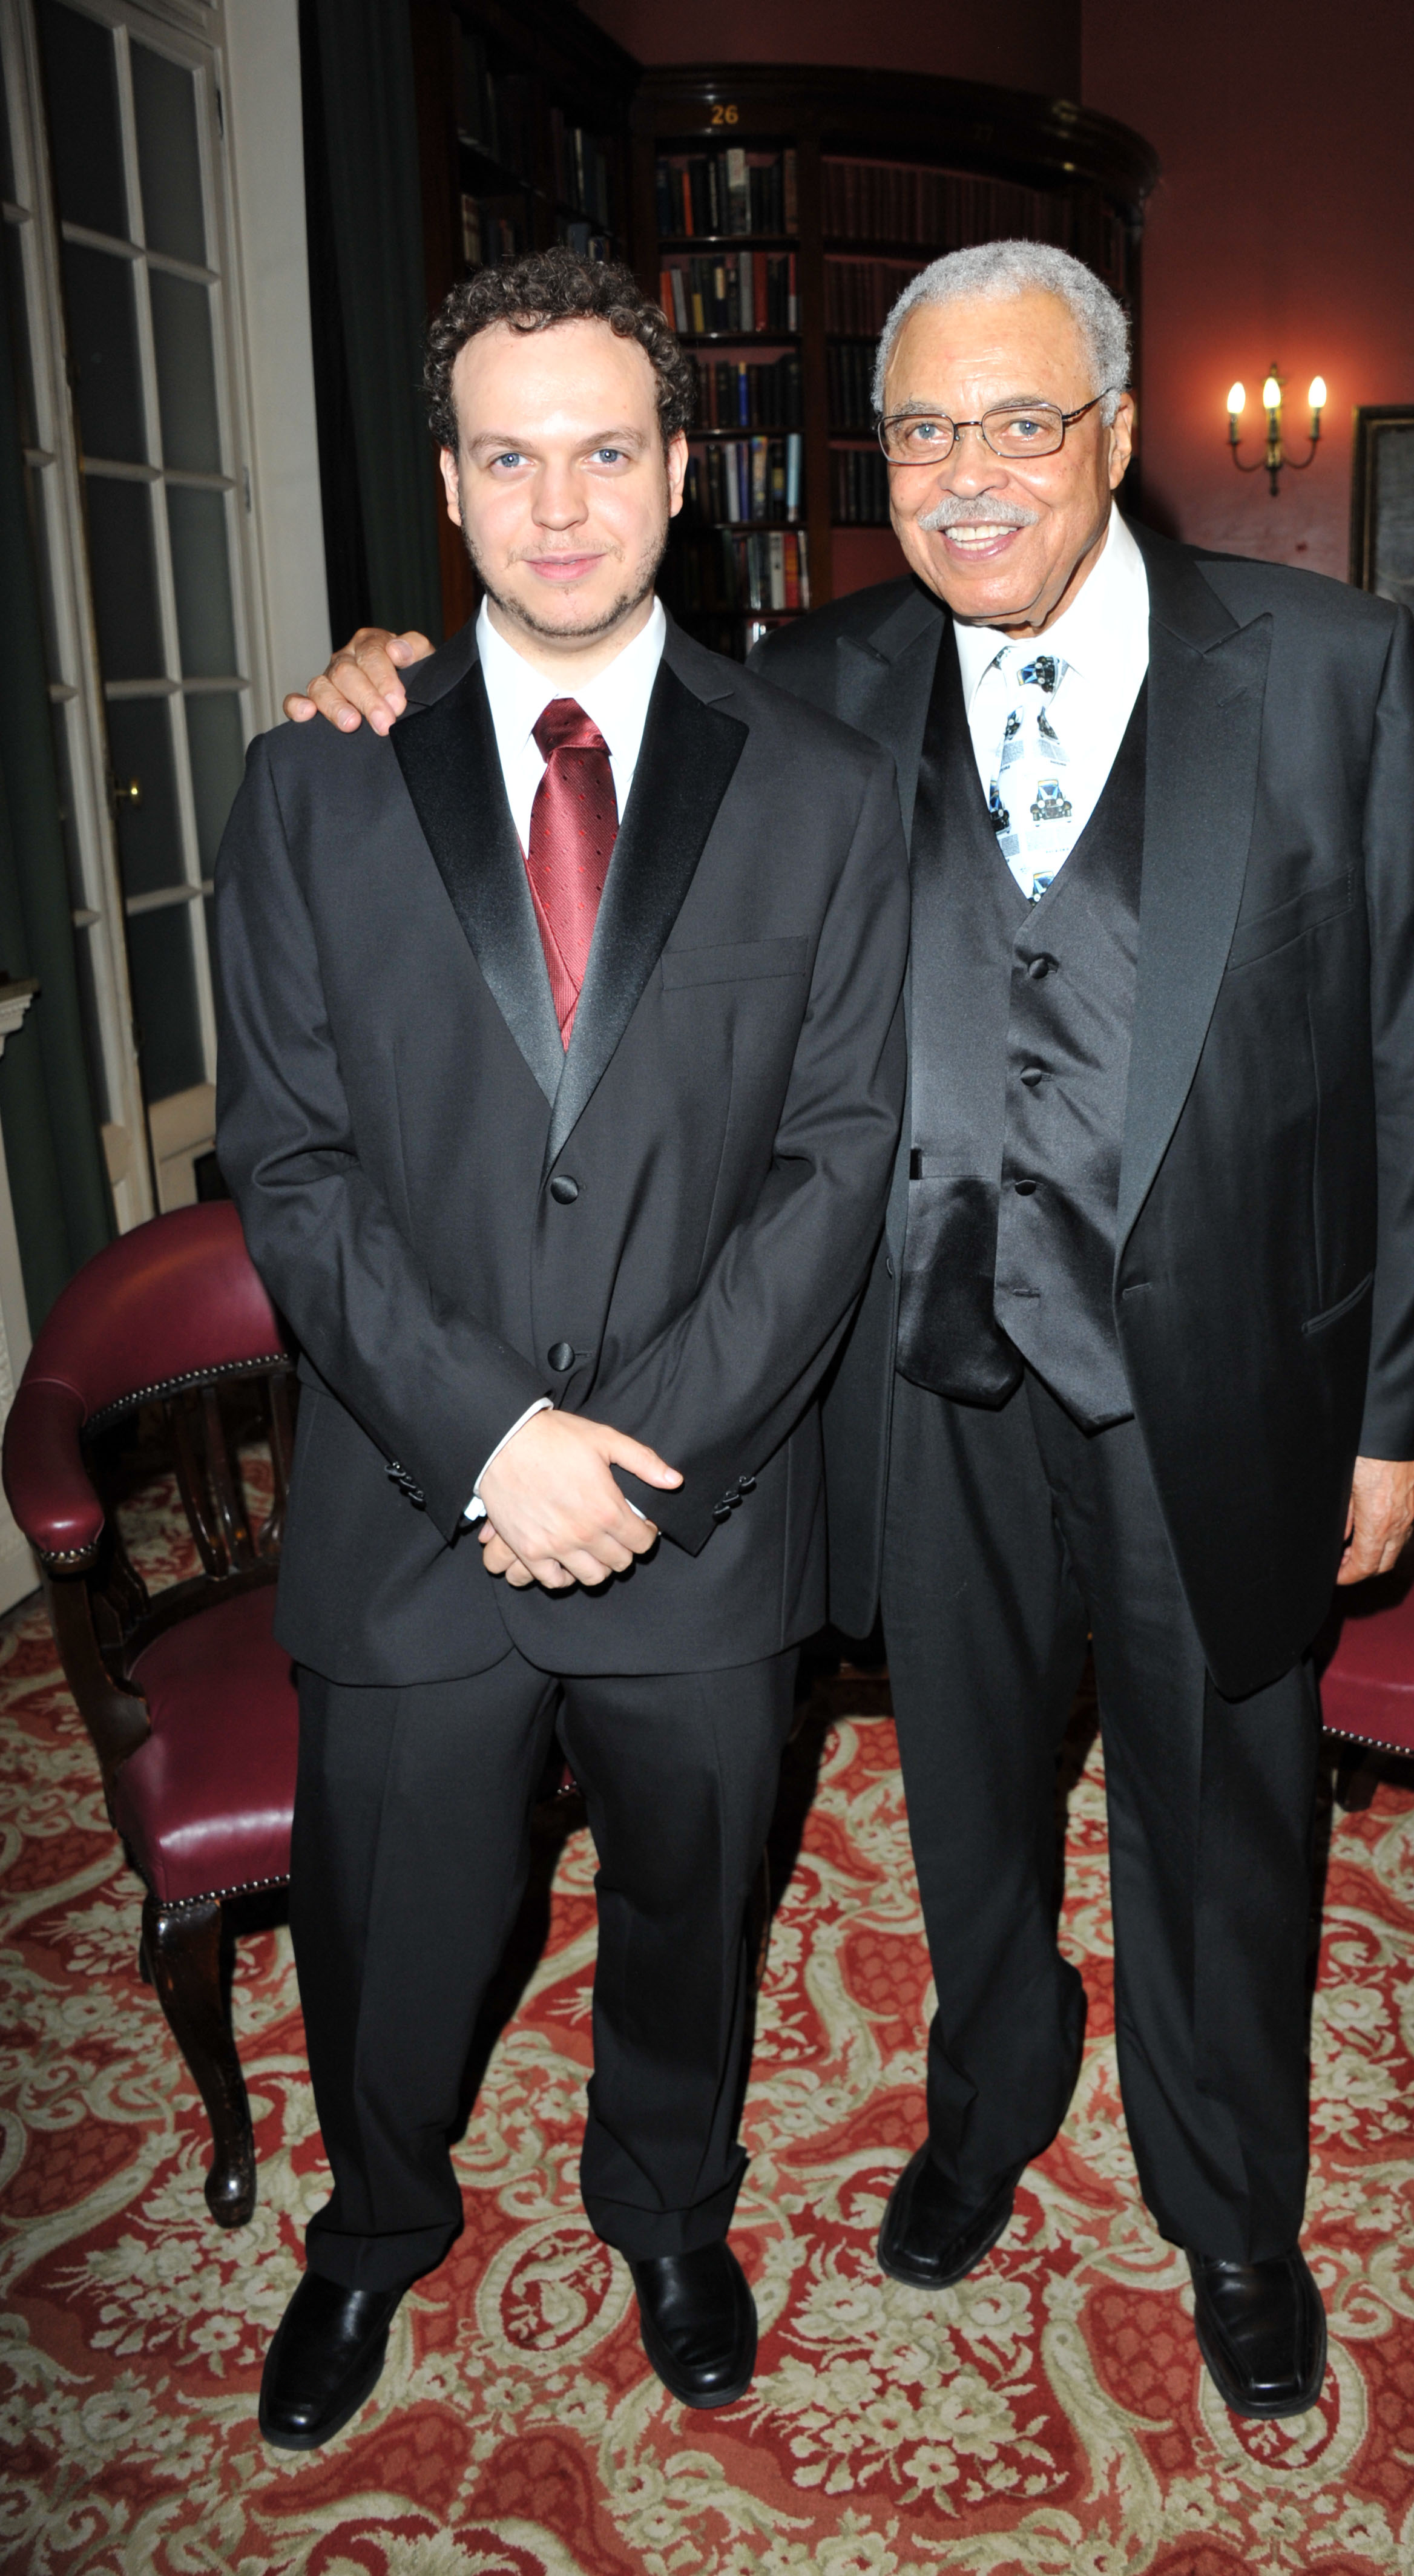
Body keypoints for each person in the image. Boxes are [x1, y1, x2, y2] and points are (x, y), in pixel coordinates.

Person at [291, 240, 1414, 2425]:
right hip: (918, 1378)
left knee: (1226, 1807)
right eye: (924, 430)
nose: (973, 475)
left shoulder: (1326, 668)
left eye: (1026, 421)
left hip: (1222, 1373)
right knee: (964, 1802)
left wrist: (1399, 1411)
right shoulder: (810, 687)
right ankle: (987, 2107)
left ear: (1120, 430)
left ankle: (1233, 2206)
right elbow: (575, 680)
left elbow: (1411, 1062)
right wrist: (380, 666)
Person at [215, 248, 907, 2449]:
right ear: (444, 480)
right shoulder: (316, 781)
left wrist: (635, 1455)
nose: (561, 503)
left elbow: (838, 1158)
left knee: (691, 1920)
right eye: (508, 456)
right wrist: (492, 1439)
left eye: (607, 450)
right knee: (390, 1937)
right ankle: (373, 2234)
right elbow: (293, 1166)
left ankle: (670, 2208)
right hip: (414, 1504)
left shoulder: (820, 786)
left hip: (699, 1515)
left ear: (681, 470)